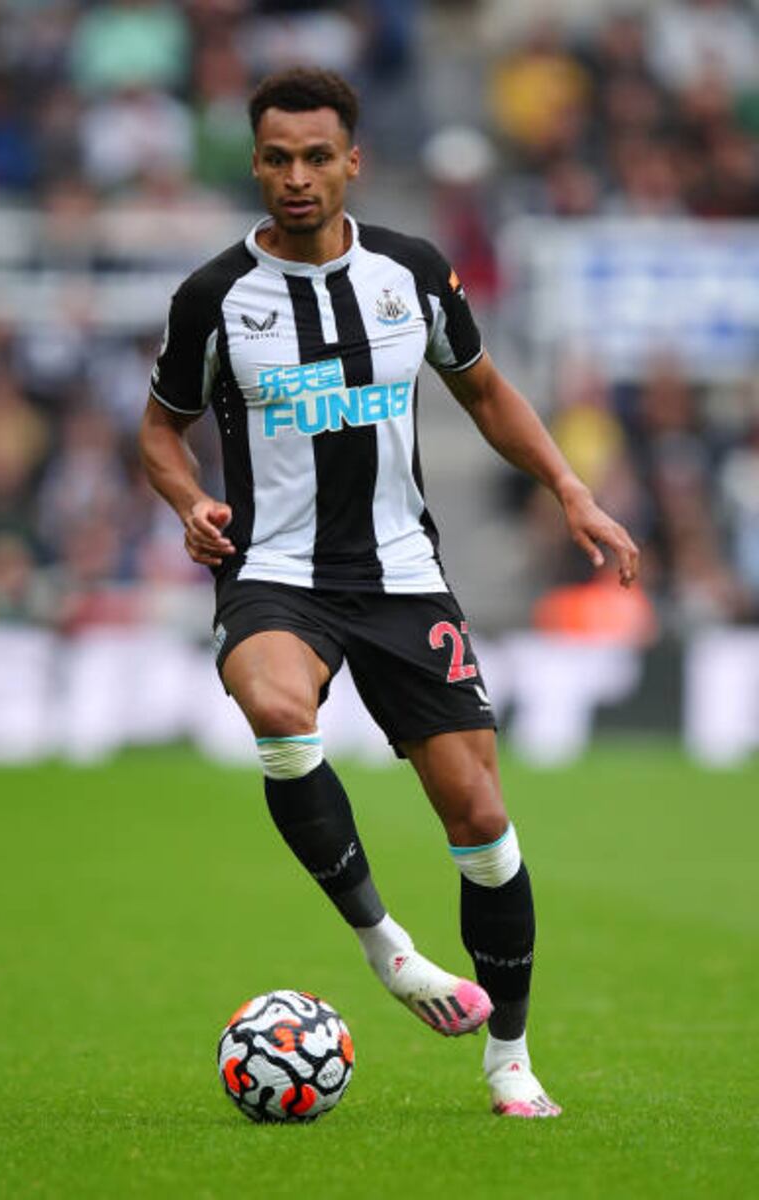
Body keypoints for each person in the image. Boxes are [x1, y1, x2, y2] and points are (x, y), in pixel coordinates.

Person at [139, 68, 640, 1119]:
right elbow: (159, 428)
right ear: (255, 161)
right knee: (278, 711)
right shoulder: (212, 299)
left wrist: (569, 489)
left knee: (483, 824)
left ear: (351, 161)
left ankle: (506, 1057)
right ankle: (388, 949)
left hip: (402, 577)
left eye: (316, 156)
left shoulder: (410, 274)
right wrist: (188, 500)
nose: (295, 177)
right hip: (273, 571)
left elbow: (486, 390)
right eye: (276, 157)